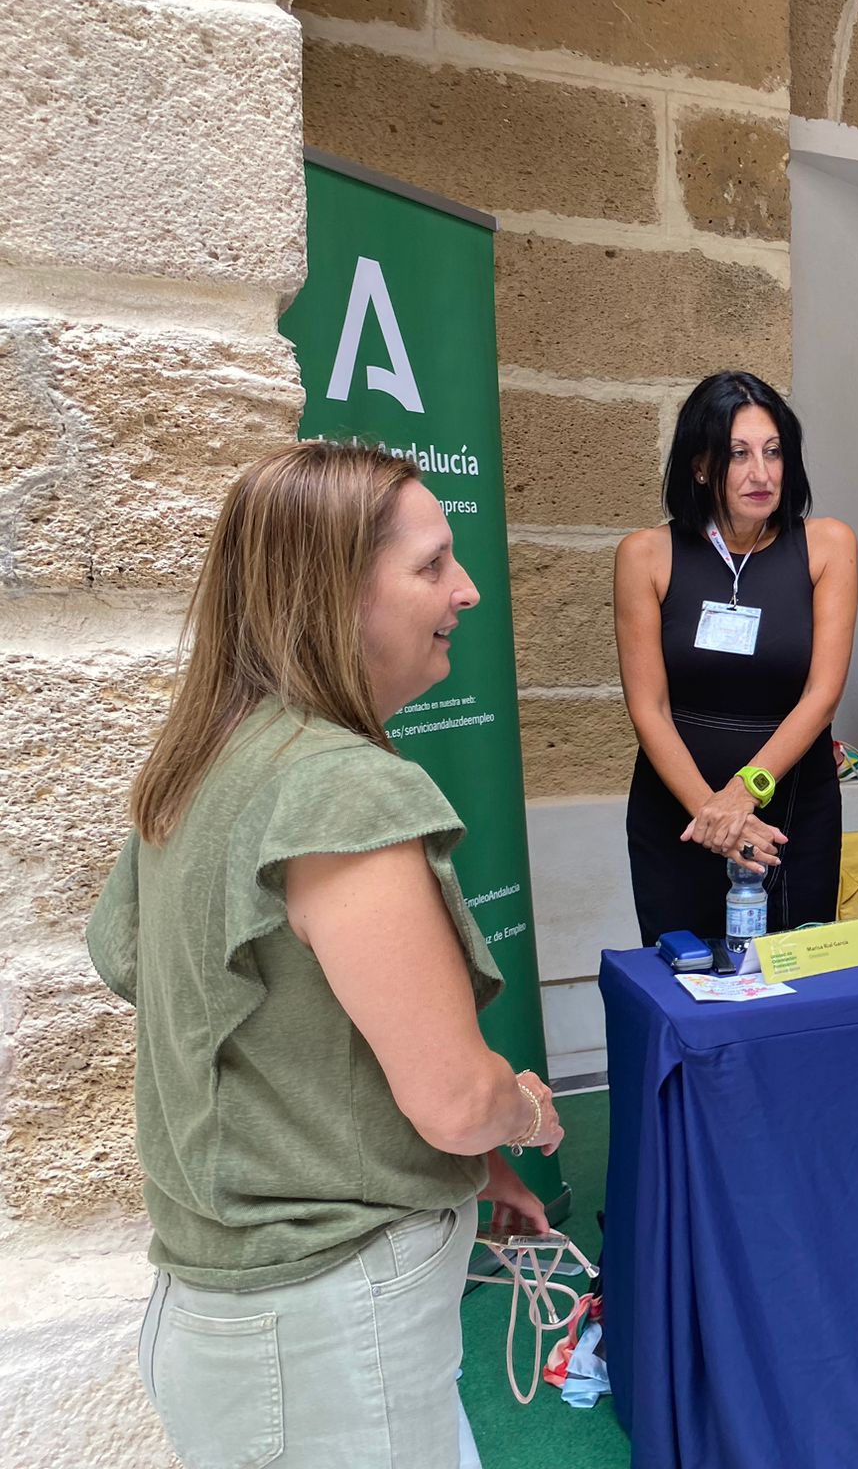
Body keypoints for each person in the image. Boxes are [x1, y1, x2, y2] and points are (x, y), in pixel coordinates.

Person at [84, 441, 566, 1468]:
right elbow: (451, 1095)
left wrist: (471, 1172)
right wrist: (516, 1111)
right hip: (323, 1338)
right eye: (432, 565)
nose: (466, 591)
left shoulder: (199, 766)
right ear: (335, 594)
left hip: (241, 1324)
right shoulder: (340, 789)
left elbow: (273, 1032)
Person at [618, 371, 857, 945]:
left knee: (794, 984)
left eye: (773, 452)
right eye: (738, 454)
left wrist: (741, 795)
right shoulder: (646, 554)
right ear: (701, 465)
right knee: (688, 980)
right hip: (680, 813)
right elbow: (648, 707)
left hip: (793, 809)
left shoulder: (827, 545)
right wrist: (715, 818)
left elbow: (822, 694)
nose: (761, 473)